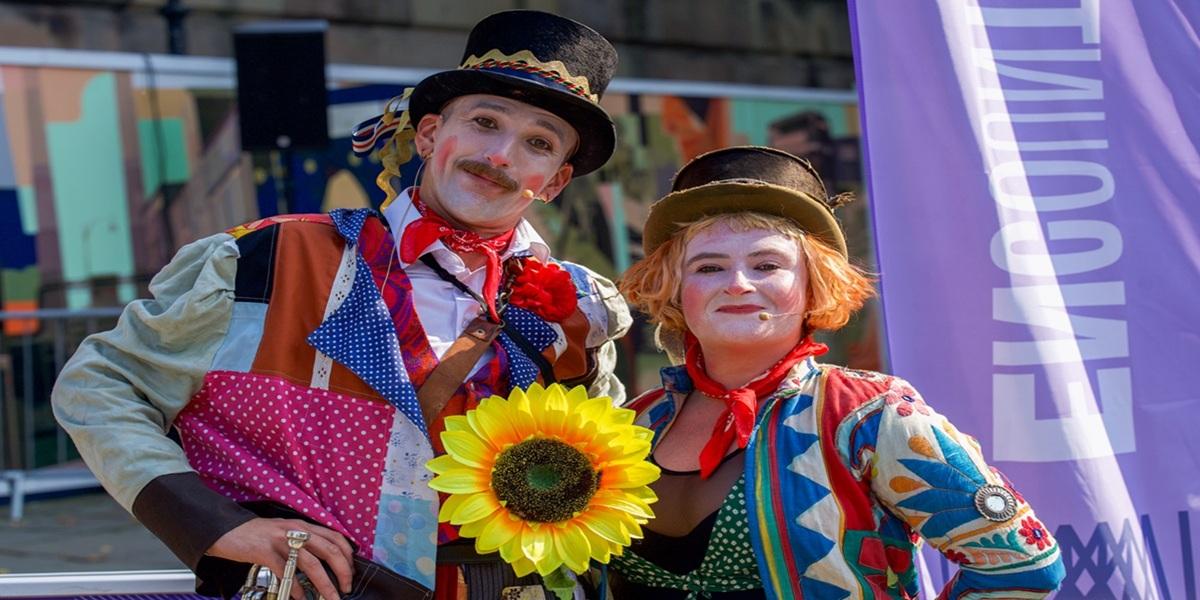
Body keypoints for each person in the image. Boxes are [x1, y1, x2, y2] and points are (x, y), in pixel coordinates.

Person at [51, 10, 630, 600]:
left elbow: (599, 462)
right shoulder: (267, 256)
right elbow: (102, 386)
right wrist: (221, 527)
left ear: (555, 181)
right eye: (485, 122)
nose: (501, 155)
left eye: (538, 142)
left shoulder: (577, 301)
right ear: (428, 135)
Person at [614, 146, 1064, 598]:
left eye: (767, 265)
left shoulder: (871, 415)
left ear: (814, 284)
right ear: (674, 289)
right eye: (708, 266)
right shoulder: (634, 422)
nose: (738, 283)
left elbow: (1022, 567)